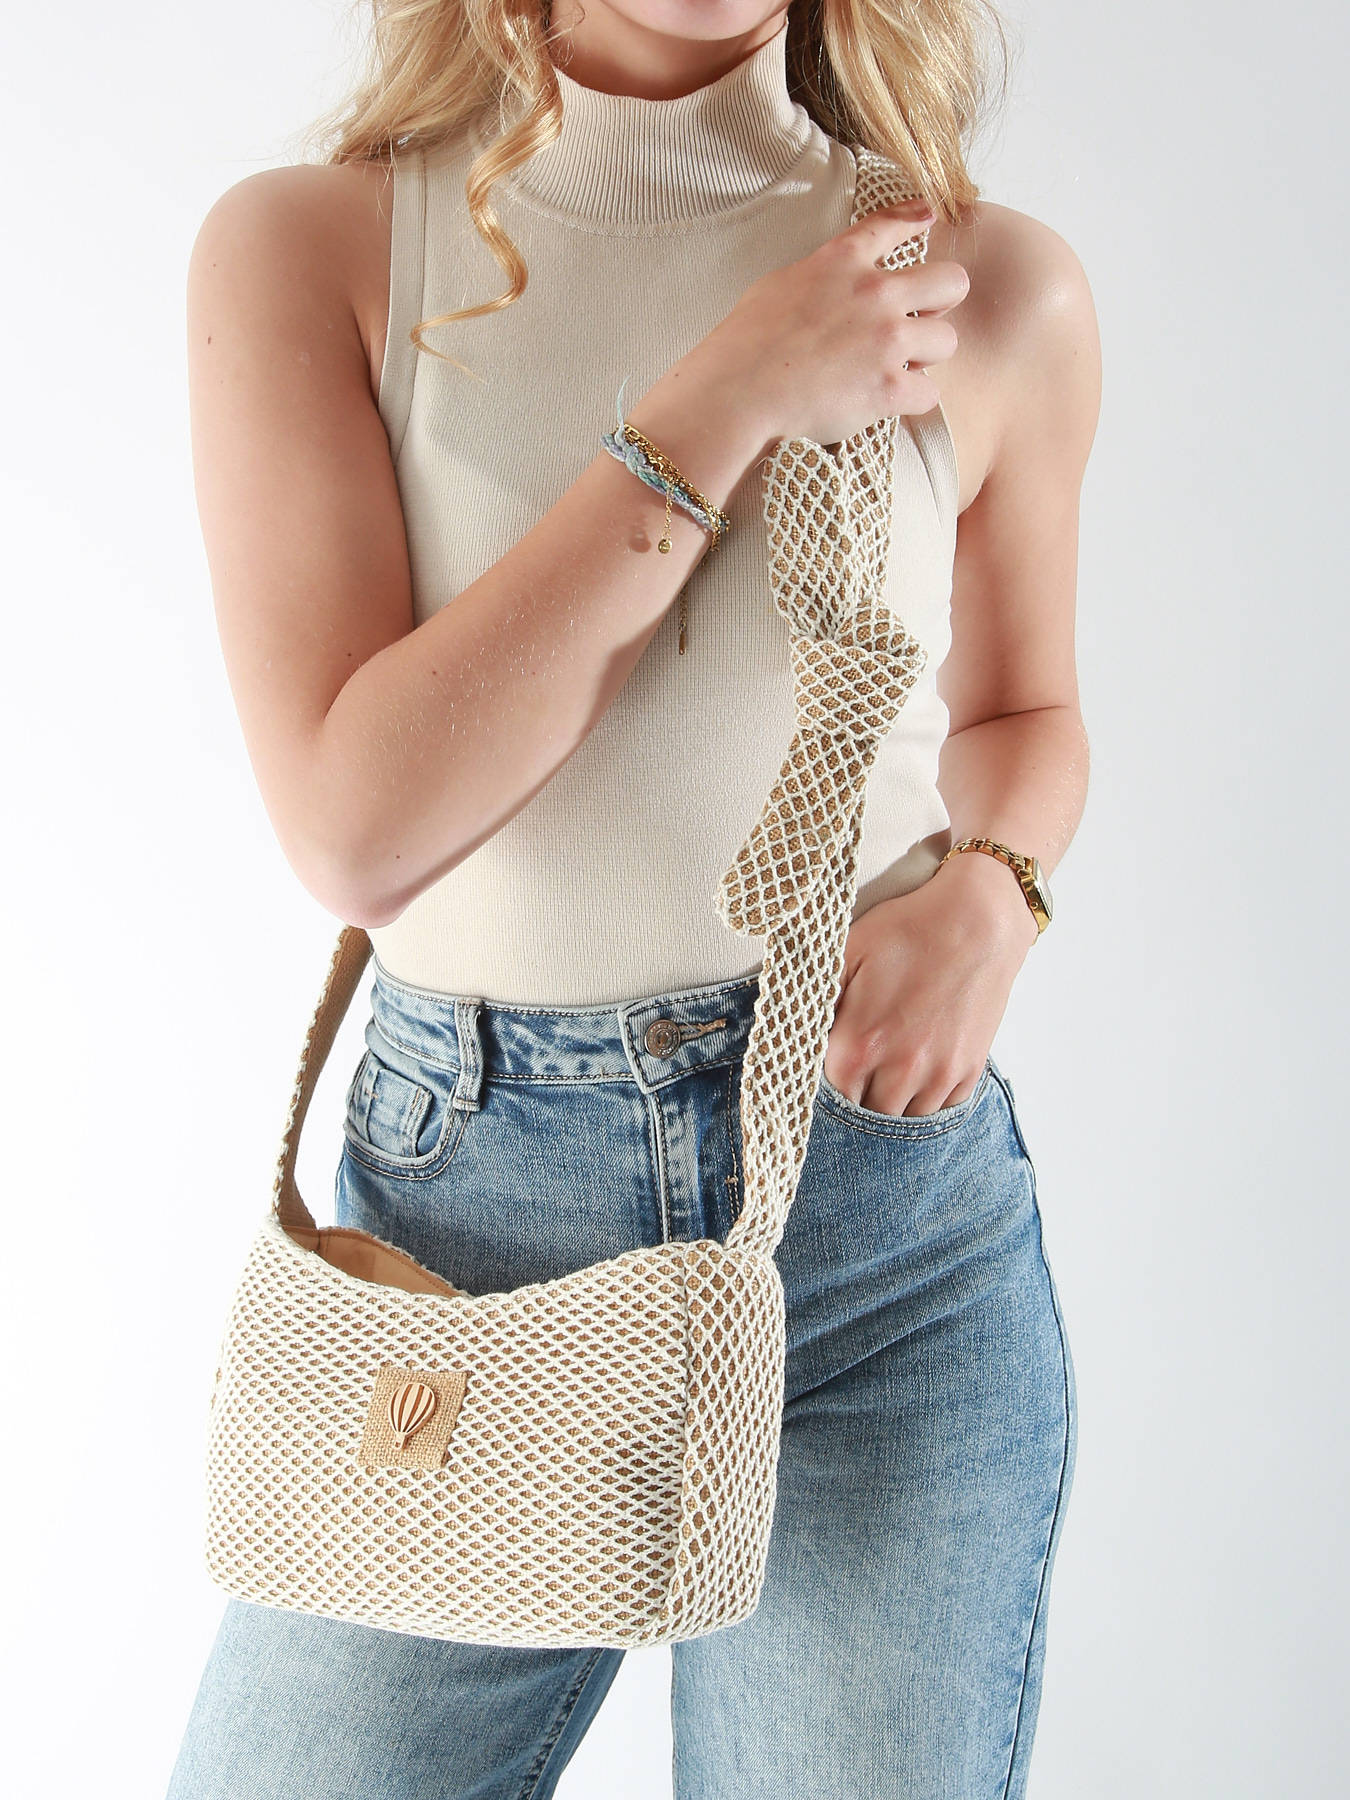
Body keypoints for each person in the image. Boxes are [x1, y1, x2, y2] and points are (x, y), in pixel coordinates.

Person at [166, 0, 1099, 1794]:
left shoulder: (989, 287)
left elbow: (1024, 717)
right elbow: (358, 829)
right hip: (463, 1242)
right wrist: (727, 389)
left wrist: (993, 894)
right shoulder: (316, 251)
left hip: (876, 1232)